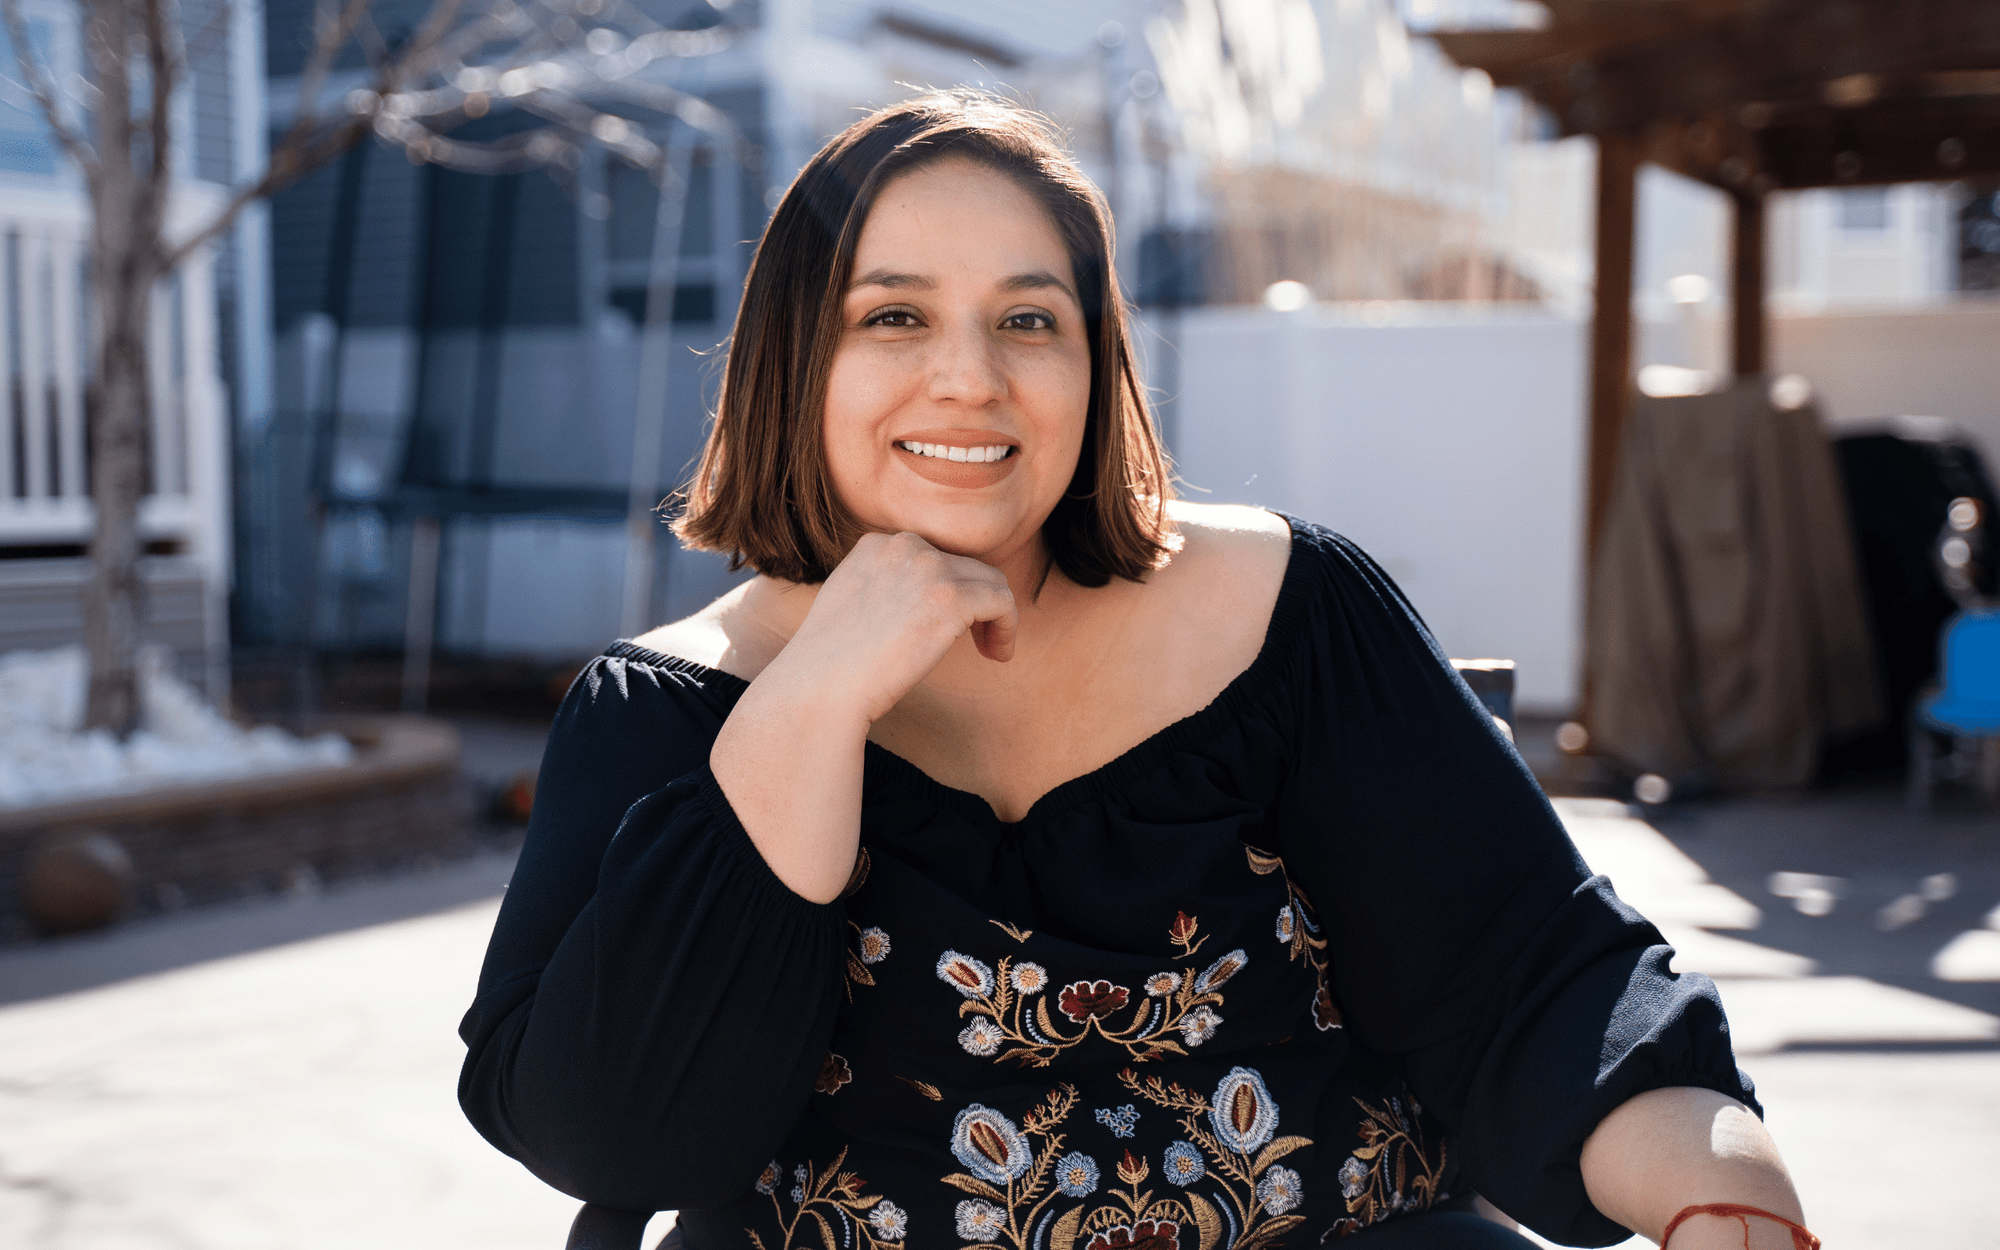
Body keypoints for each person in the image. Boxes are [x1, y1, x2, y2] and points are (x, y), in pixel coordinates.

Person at [459, 91, 1814, 1250]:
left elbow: (1541, 990)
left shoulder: (1291, 609)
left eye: (1029, 322)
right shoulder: (663, 711)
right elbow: (617, 1134)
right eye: (893, 317)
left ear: (1095, 364)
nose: (969, 379)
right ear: (792, 361)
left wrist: (1727, 1206)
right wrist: (816, 690)